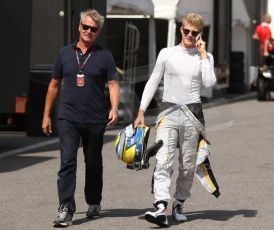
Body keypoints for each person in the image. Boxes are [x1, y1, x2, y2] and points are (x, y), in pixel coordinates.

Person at [133, 13, 216, 227]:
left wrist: (204, 53)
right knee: (163, 160)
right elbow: (153, 81)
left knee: (187, 166)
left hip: (192, 116)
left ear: (200, 34)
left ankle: (179, 203)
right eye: (186, 30)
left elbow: (209, 83)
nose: (189, 35)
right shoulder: (167, 53)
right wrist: (141, 110)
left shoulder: (204, 57)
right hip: (168, 113)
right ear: (181, 29)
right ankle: (161, 206)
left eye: (194, 32)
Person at [41, 9, 120, 227]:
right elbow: (53, 85)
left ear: (98, 32)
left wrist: (114, 108)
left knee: (93, 162)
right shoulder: (64, 53)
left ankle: (94, 201)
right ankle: (66, 207)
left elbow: (113, 84)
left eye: (93, 29)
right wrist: (46, 115)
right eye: (85, 27)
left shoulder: (104, 56)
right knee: (67, 162)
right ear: (79, 27)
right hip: (68, 118)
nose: (88, 31)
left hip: (95, 119)